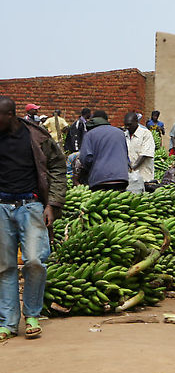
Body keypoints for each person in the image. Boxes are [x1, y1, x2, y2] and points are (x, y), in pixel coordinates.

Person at [0, 96, 67, 341]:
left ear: (9, 115)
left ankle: (32, 314)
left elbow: (59, 167)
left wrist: (53, 203)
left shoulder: (37, 137)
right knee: (4, 266)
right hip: (1, 207)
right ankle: (7, 322)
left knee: (35, 261)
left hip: (31, 206)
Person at [78, 110, 129, 191]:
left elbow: (86, 159)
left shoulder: (90, 135)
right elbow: (126, 156)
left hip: (100, 179)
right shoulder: (120, 133)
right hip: (121, 178)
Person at [124, 112, 155, 189]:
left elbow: (144, 154)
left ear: (136, 122)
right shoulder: (124, 135)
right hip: (129, 176)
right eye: (126, 125)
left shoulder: (146, 134)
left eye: (129, 124)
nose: (127, 127)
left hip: (143, 174)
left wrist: (132, 168)